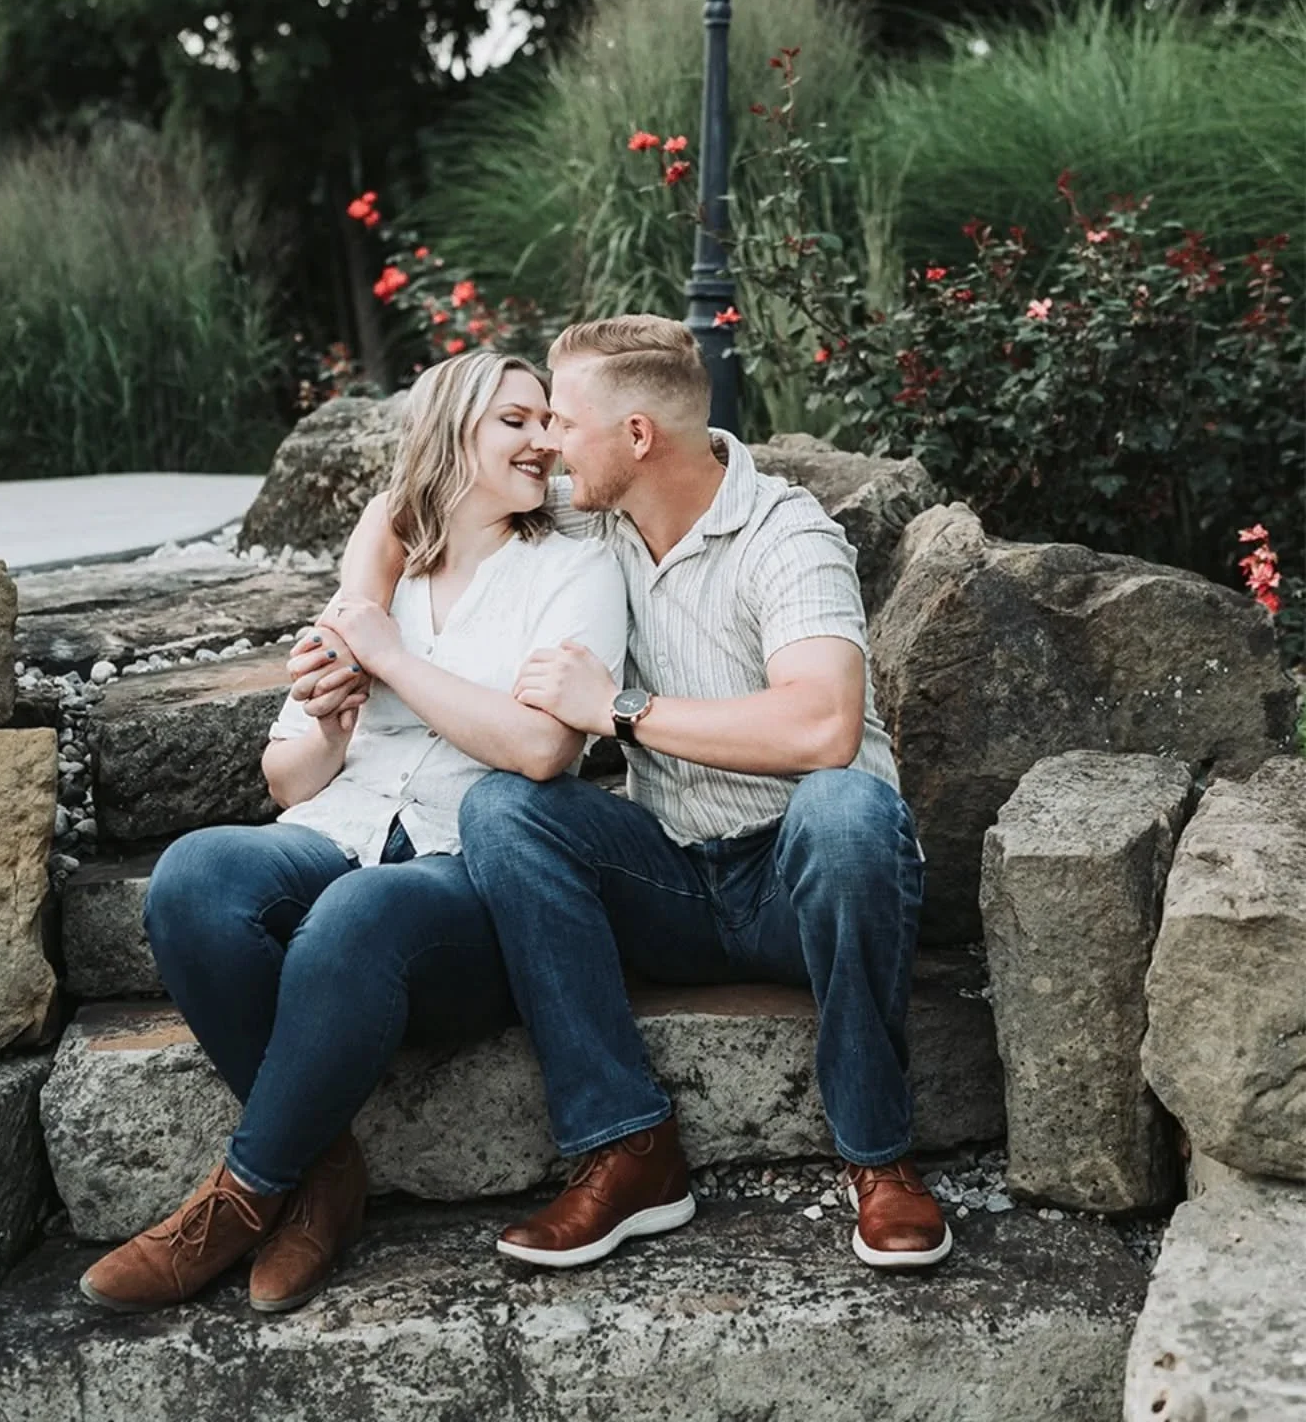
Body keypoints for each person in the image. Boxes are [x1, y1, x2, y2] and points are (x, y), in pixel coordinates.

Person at [298, 315, 950, 1273]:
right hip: (672, 879)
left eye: (561, 421)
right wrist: (356, 630)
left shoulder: (787, 534)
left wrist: (620, 709)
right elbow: (406, 501)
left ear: (636, 438)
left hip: (800, 882)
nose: (546, 443)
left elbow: (822, 729)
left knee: (846, 804)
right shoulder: (596, 509)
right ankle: (629, 1148)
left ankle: (881, 1161)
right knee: (504, 809)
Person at [79, 351, 627, 1315]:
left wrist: (388, 658)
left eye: (549, 421)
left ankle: (239, 1200)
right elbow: (287, 775)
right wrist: (329, 716)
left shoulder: (575, 567)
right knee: (195, 875)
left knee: (360, 914)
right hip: (342, 822)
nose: (544, 440)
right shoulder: (389, 571)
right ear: (452, 430)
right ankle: (325, 1173)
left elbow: (542, 750)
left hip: (471, 875)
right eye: (516, 420)